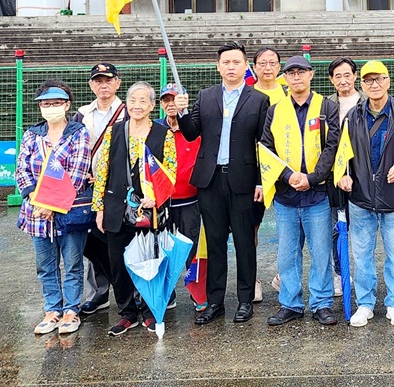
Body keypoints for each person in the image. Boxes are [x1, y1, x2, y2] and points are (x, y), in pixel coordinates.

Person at [175, 43, 271, 325]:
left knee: (244, 242)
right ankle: (214, 301)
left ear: (245, 66)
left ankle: (244, 300)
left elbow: (263, 144)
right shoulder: (206, 97)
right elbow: (192, 134)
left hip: (243, 180)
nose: (231, 67)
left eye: (236, 62)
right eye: (226, 62)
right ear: (218, 66)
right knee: (214, 242)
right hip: (210, 179)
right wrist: (181, 113)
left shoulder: (258, 100)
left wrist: (260, 182)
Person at [260, 55, 341, 327]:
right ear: (284, 78)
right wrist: (287, 176)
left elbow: (333, 146)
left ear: (311, 74)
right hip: (286, 195)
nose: (296, 77)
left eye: (301, 72)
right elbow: (266, 148)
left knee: (320, 252)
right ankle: (291, 303)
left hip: (316, 193)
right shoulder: (276, 109)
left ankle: (322, 303)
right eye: (291, 73)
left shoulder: (326, 107)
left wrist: (314, 177)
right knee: (287, 253)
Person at [93, 82, 178, 335]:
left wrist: (158, 197)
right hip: (116, 208)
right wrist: (99, 208)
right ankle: (127, 313)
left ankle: (151, 310)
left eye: (143, 101)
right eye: (132, 100)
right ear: (126, 104)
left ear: (152, 106)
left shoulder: (164, 134)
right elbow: (102, 172)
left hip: (149, 210)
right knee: (118, 264)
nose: (137, 105)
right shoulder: (115, 131)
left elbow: (170, 173)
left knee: (150, 261)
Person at [337, 60, 394, 328]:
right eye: (369, 80)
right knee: (363, 255)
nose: (375, 84)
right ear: (362, 84)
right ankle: (366, 303)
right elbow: (342, 155)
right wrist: (343, 175)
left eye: (379, 79)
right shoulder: (352, 117)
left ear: (388, 81)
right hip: (360, 198)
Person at [16, 82, 91, 335]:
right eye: (46, 104)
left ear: (67, 105)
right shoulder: (32, 135)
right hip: (36, 213)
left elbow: (78, 173)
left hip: (68, 211)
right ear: (40, 107)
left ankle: (71, 310)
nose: (51, 108)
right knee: (45, 265)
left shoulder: (78, 133)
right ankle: (52, 309)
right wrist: (38, 201)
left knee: (72, 263)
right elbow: (22, 170)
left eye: (56, 103)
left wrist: (52, 204)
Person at [74, 62, 126, 316]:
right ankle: (98, 294)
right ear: (91, 85)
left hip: (120, 186)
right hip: (89, 186)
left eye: (108, 79)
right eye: (98, 80)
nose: (103, 84)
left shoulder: (128, 111)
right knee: (91, 240)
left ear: (118, 82)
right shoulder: (82, 114)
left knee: (122, 237)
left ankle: (132, 292)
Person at [158, 83, 204, 310]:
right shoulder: (155, 130)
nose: (170, 104)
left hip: (190, 200)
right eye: (166, 100)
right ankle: (167, 292)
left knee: (191, 250)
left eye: (174, 99)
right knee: (163, 249)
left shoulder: (195, 130)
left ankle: (197, 292)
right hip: (163, 202)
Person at [251, 46, 287, 301]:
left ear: (279, 67)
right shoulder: (247, 93)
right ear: (253, 67)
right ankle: (252, 279)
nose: (267, 68)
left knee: (290, 225)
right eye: (262, 63)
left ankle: (283, 275)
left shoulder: (287, 92)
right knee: (252, 227)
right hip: (255, 169)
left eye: (272, 63)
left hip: (285, 168)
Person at [326, 55, 361, 296]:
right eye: (337, 76)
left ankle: (362, 274)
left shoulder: (368, 100)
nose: (343, 80)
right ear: (331, 80)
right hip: (333, 174)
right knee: (337, 227)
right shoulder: (325, 105)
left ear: (355, 76)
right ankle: (340, 274)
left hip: (362, 173)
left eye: (347, 74)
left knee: (362, 227)